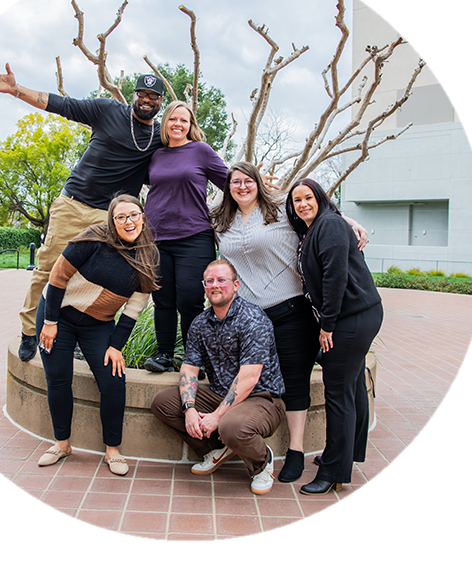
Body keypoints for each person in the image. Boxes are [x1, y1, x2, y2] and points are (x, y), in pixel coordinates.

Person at [0, 63, 165, 361]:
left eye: (153, 96)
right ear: (134, 95)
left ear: (160, 101)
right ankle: (29, 330)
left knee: (98, 278)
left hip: (110, 218)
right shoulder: (106, 111)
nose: (146, 99)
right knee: (49, 268)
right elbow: (61, 104)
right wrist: (15, 90)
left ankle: (79, 334)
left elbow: (182, 160)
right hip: (74, 204)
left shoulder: (159, 137)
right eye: (142, 92)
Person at [210, 161, 369, 484]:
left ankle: (295, 450)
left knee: (295, 382)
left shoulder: (280, 210)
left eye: (248, 181)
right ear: (227, 187)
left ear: (258, 183)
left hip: (290, 310)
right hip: (250, 317)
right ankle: (251, 445)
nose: (242, 186)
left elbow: (316, 209)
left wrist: (349, 220)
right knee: (252, 382)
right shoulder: (219, 219)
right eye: (235, 182)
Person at [35, 194, 159, 476]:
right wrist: (51, 321)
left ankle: (112, 450)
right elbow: (57, 277)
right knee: (58, 379)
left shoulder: (149, 255)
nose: (128, 222)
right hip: (58, 314)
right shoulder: (93, 238)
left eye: (133, 215)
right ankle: (62, 444)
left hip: (98, 324)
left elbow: (133, 309)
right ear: (112, 221)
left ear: (142, 217)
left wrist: (116, 345)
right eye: (121, 217)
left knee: (114, 382)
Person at [150, 259, 286, 495]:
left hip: (261, 398)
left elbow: (249, 378)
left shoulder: (253, 319)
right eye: (209, 281)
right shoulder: (201, 323)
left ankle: (262, 462)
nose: (215, 285)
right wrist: (189, 407)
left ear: (236, 285)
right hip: (218, 394)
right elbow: (190, 369)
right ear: (204, 287)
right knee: (163, 404)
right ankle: (216, 450)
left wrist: (216, 416)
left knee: (231, 425)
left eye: (222, 280)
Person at [285, 178, 383, 495]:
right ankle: (345, 455)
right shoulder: (315, 228)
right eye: (296, 200)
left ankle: (333, 471)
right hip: (352, 314)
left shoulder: (329, 225)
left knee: (337, 391)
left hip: (351, 317)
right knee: (351, 385)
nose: (302, 204)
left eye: (308, 197)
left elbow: (336, 276)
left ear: (320, 198)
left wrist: (327, 325)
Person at [142, 100, 228, 373]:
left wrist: (266, 195)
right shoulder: (155, 154)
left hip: (194, 235)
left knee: (190, 299)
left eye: (184, 120)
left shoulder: (200, 151)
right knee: (163, 299)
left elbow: (231, 183)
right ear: (164, 123)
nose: (178, 124)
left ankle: (195, 359)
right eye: (173, 119)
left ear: (191, 126)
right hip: (157, 238)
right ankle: (165, 355)